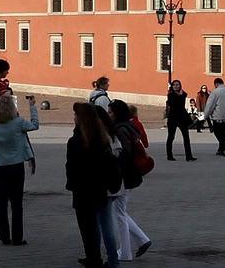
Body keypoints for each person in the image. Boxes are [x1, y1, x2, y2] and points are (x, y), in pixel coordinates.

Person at [66, 101, 121, 268]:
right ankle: (100, 258)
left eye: (76, 115)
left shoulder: (75, 141)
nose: (74, 117)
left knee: (88, 228)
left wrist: (72, 184)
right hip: (99, 189)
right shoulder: (101, 139)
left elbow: (71, 167)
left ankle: (94, 257)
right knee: (100, 224)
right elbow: (110, 165)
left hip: (83, 191)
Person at [0, 93, 39, 246]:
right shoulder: (19, 123)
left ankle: (4, 236)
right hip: (15, 165)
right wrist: (32, 106)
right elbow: (35, 125)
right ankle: (17, 237)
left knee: (1, 201)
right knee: (16, 203)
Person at [108, 101, 153, 261]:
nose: (109, 115)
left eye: (111, 112)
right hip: (130, 175)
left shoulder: (120, 129)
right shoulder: (129, 126)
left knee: (118, 213)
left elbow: (124, 153)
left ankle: (126, 252)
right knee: (119, 211)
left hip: (124, 176)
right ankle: (142, 240)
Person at [164, 79, 196, 161]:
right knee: (171, 137)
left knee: (186, 137)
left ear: (180, 85)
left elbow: (182, 104)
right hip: (173, 118)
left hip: (182, 119)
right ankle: (169, 155)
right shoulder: (170, 95)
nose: (176, 86)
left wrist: (181, 95)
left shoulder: (183, 94)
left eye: (177, 84)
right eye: (174, 85)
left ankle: (189, 156)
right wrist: (180, 96)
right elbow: (175, 105)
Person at [204, 77, 225, 156]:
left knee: (217, 132)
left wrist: (205, 115)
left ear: (216, 84)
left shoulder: (215, 92)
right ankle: (221, 150)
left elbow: (210, 105)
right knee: (224, 133)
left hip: (218, 116)